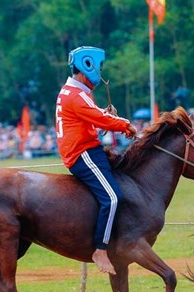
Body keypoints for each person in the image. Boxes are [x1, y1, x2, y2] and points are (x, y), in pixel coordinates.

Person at [56, 46, 137, 275]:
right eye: (99, 67)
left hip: (86, 149)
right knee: (112, 198)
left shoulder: (74, 91)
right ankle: (100, 249)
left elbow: (92, 115)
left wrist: (106, 115)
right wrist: (123, 124)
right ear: (88, 66)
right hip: (82, 154)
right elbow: (97, 117)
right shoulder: (76, 95)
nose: (100, 73)